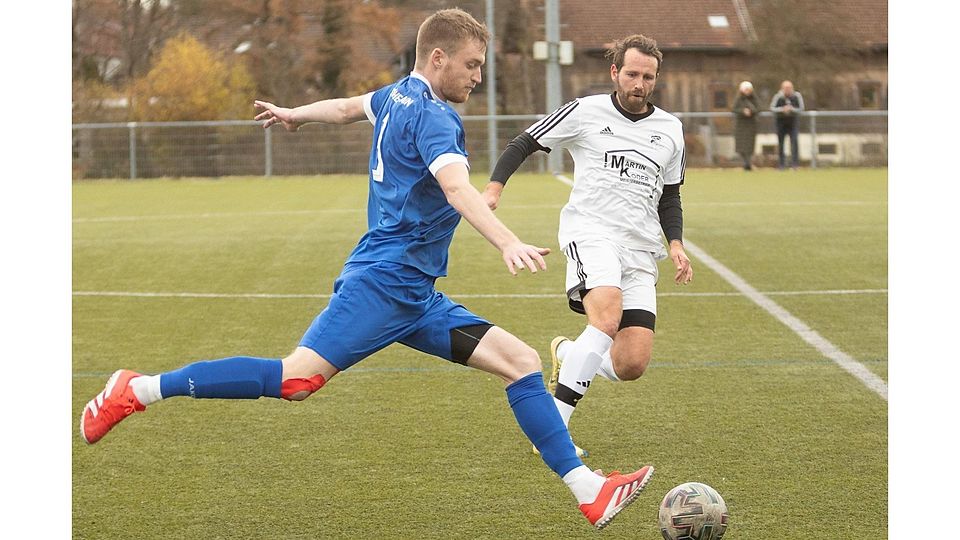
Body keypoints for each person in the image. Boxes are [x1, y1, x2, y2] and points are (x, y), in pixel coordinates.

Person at [78, 9, 653, 529]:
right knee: (295, 380)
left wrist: (294, 114)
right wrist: (506, 241)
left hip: (416, 294)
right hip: (383, 284)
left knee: (523, 361)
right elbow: (457, 188)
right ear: (438, 58)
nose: (478, 76)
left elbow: (349, 107)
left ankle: (589, 492)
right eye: (472, 65)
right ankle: (138, 389)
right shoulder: (436, 120)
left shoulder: (397, 95)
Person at [484, 34, 693, 456]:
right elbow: (524, 141)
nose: (639, 83)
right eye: (632, 73)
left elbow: (670, 195)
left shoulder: (670, 129)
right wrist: (493, 189)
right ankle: (555, 433)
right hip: (591, 232)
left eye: (648, 77)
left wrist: (675, 243)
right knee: (606, 316)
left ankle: (570, 352)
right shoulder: (586, 110)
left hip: (640, 249)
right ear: (615, 72)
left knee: (630, 364)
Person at [770, 80, 805, 170]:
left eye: (789, 88)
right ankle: (781, 165)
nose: (787, 90)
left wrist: (791, 109)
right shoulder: (778, 97)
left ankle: (795, 165)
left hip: (793, 123)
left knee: (794, 143)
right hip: (780, 123)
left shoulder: (797, 96)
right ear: (782, 89)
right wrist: (782, 109)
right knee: (781, 144)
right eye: (785, 88)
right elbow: (772, 108)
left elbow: (801, 108)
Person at [731, 80, 760, 170]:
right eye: (746, 89)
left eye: (749, 89)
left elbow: (759, 108)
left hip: (751, 124)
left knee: (749, 145)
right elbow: (734, 109)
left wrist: (751, 111)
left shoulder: (754, 99)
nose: (747, 91)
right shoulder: (738, 99)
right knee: (741, 145)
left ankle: (748, 163)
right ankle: (746, 163)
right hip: (741, 125)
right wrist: (743, 111)